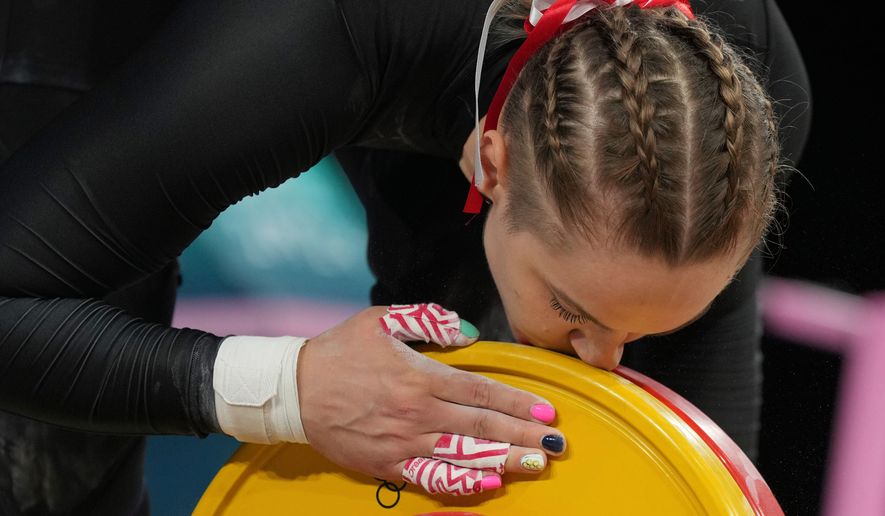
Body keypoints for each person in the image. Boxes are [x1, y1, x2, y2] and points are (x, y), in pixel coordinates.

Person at [0, 0, 810, 513]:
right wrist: (285, 389)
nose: (604, 359)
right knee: (50, 449)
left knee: (501, 431)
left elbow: (696, 473)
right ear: (489, 163)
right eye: (575, 311)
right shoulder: (332, 32)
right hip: (147, 25)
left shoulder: (737, 111)